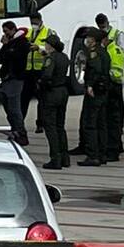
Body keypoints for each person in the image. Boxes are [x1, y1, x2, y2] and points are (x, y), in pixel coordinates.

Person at [38, 34, 71, 169]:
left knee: (50, 127)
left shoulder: (50, 58)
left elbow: (47, 75)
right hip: (63, 91)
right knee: (60, 126)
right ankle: (65, 157)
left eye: (46, 43)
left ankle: (55, 159)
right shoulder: (64, 57)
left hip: (52, 93)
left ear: (50, 46)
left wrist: (41, 84)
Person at [78, 29, 111, 167]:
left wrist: (90, 85)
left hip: (95, 92)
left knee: (90, 123)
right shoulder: (104, 52)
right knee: (101, 123)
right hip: (103, 91)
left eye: (89, 38)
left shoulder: (94, 53)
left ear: (93, 40)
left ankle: (93, 155)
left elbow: (95, 69)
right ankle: (102, 154)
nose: (87, 40)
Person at [98, 15, 124, 162]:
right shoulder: (106, 49)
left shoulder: (114, 47)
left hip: (113, 85)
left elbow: (116, 69)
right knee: (111, 119)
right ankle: (115, 145)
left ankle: (114, 148)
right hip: (111, 84)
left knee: (114, 118)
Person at [0, 21, 29, 145]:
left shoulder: (22, 42)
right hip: (6, 79)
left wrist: (7, 46)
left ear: (13, 30)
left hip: (16, 79)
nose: (5, 34)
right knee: (8, 108)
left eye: (6, 31)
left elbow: (15, 56)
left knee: (14, 109)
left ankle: (21, 133)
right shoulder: (9, 44)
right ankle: (15, 130)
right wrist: (5, 46)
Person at [24, 12, 50, 133]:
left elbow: (52, 49)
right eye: (32, 22)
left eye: (35, 22)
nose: (33, 25)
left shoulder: (48, 32)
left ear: (40, 20)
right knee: (24, 98)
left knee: (42, 100)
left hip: (41, 70)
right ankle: (20, 124)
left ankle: (41, 124)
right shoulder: (29, 33)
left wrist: (39, 48)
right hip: (29, 70)